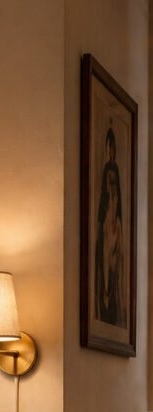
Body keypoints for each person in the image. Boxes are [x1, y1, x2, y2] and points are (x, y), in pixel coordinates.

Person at [95, 126, 126, 327]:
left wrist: (118, 221)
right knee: (106, 257)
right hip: (107, 219)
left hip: (115, 219)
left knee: (117, 259)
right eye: (108, 147)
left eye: (111, 146)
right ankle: (105, 292)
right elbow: (104, 199)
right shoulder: (107, 169)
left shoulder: (115, 171)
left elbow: (119, 199)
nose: (110, 150)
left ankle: (110, 295)